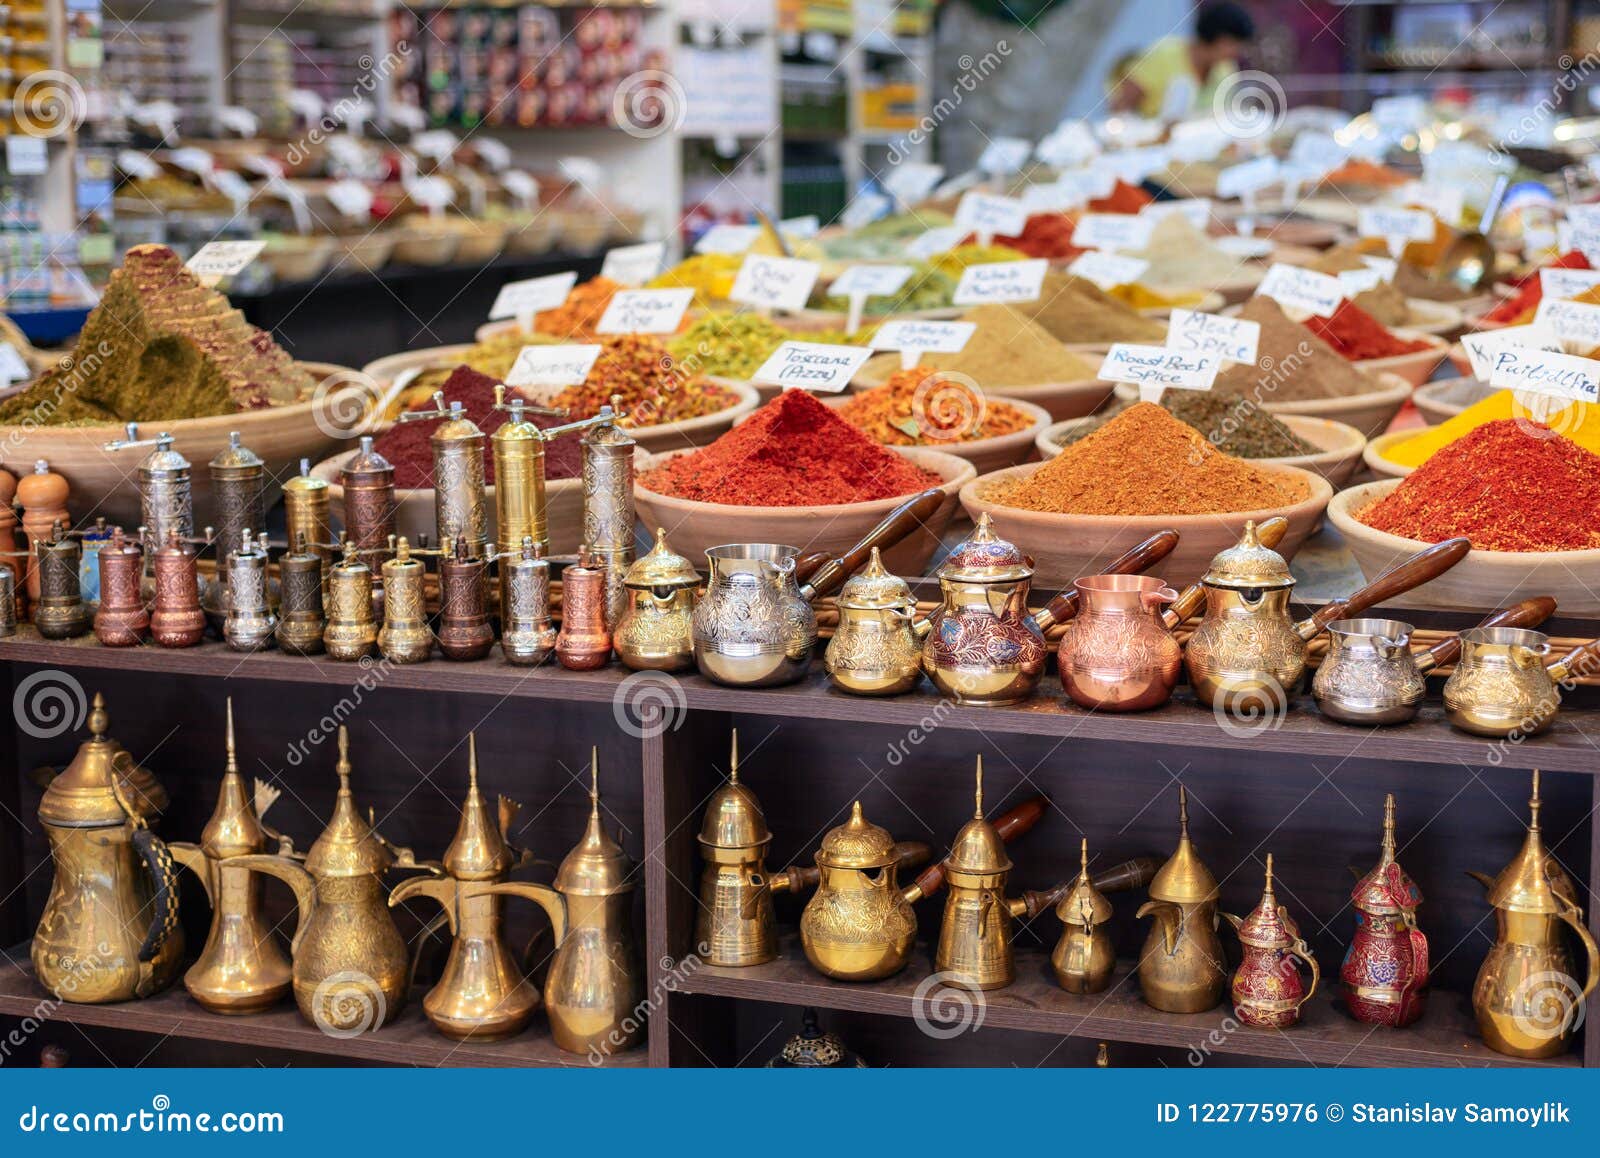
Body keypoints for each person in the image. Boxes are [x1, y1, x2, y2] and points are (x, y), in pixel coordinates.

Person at [1109, 2, 1255, 120]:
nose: (1238, 51)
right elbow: (1120, 108)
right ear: (1217, 38)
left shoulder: (1225, 68)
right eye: (1233, 44)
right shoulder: (1163, 55)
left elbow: (1226, 117)